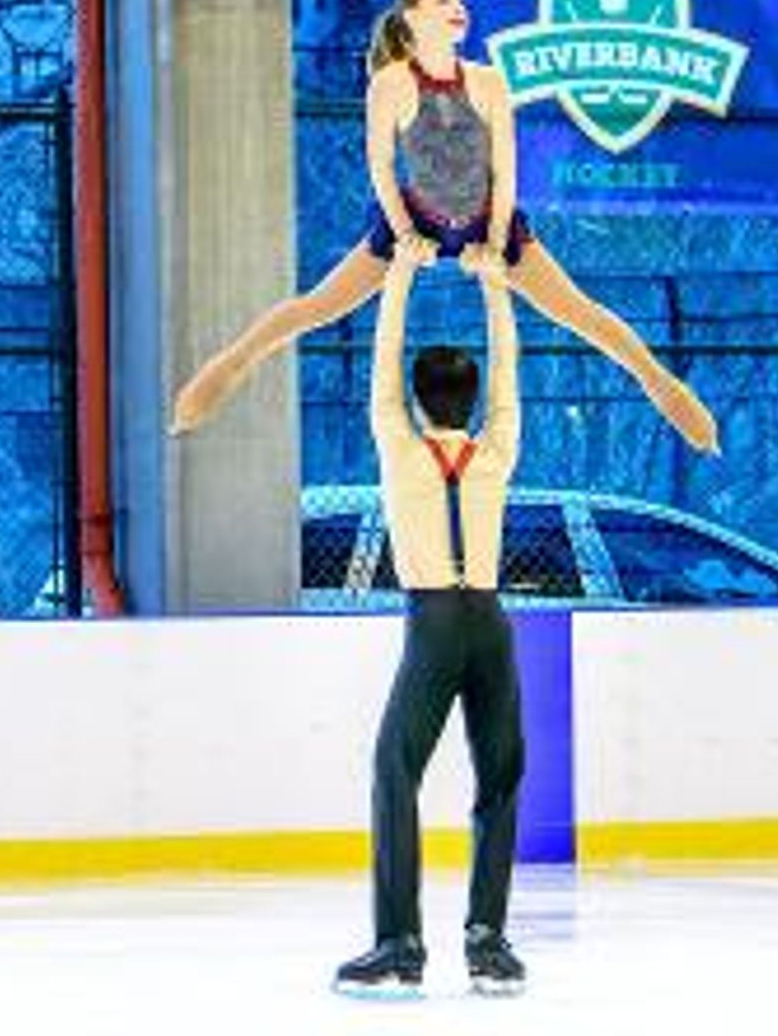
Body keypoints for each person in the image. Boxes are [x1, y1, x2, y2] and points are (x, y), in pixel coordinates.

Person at [170, 0, 717, 454]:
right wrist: (405, 234)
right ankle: (217, 379)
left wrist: (494, 241)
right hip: (418, 218)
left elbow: (505, 170)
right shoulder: (390, 83)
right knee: (316, 307)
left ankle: (672, 396)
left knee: (582, 314)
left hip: (488, 218)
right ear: (410, 18)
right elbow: (381, 167)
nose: (458, 6)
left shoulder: (490, 81)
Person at [334, 244, 527, 998]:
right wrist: (494, 286)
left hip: (435, 623)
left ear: (419, 402)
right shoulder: (495, 450)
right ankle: (488, 942)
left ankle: (400, 944)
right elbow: (509, 372)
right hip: (490, 622)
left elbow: (382, 367)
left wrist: (400, 274)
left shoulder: (400, 447)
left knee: (395, 770)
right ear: (471, 400)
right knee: (500, 778)